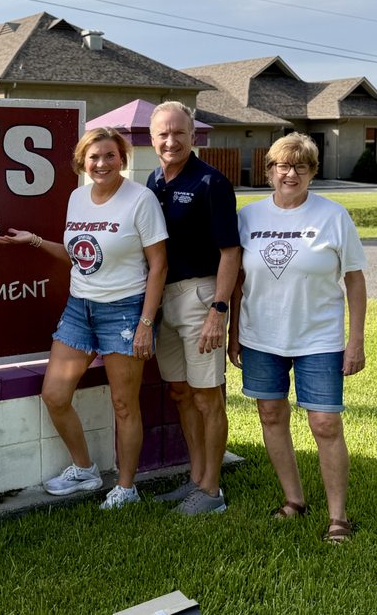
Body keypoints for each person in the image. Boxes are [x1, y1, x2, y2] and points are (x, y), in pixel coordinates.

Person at [0, 127, 167, 510]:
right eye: (94, 157)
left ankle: (126, 487)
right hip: (80, 308)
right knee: (55, 395)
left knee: (125, 406)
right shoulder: (77, 197)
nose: (101, 163)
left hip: (124, 310)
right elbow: (80, 255)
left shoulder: (140, 199)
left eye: (109, 155)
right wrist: (35, 242)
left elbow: (159, 265)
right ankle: (85, 468)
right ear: (82, 161)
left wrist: (145, 323)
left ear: (122, 158)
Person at [227, 132, 367, 544]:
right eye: (282, 166)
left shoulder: (333, 216)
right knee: (271, 415)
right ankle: (294, 500)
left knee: (325, 422)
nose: (290, 173)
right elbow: (237, 280)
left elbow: (355, 282)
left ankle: (338, 517)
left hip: (318, 337)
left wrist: (355, 340)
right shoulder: (248, 217)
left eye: (300, 166)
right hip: (260, 336)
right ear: (269, 171)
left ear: (312, 172)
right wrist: (235, 332)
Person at [145, 102, 241, 515]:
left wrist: (218, 310)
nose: (171, 140)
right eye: (163, 134)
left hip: (200, 296)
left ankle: (213, 492)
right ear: (152, 139)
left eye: (178, 133)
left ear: (193, 135)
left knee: (207, 397)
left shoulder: (210, 182)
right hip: (163, 297)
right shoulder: (154, 180)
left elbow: (230, 251)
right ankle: (195, 479)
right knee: (181, 393)